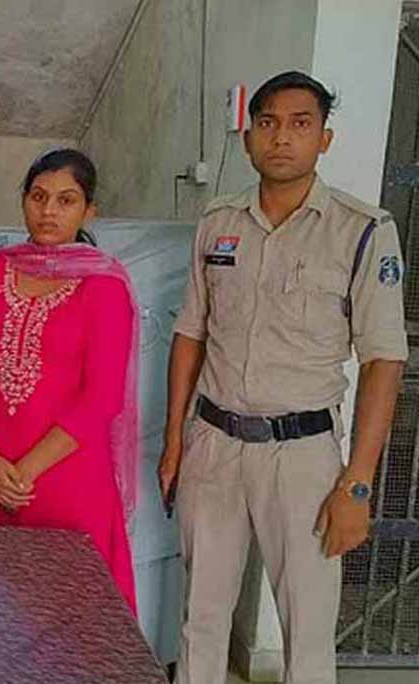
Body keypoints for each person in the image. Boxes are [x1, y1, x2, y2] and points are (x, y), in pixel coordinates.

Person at [158, 71, 407, 684]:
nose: (281, 137)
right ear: (248, 137)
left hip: (303, 459)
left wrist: (357, 485)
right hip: (213, 445)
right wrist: (174, 442)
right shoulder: (218, 222)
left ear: (324, 139)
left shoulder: (362, 231)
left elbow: (383, 361)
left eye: (300, 124)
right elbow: (190, 333)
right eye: (267, 123)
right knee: (199, 621)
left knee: (309, 634)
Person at [0, 148, 139, 612]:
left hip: (65, 483)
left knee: (65, 625)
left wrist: (23, 474)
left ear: (89, 211)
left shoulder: (105, 286)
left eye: (66, 200)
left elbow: (101, 397)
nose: (49, 210)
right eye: (38, 197)